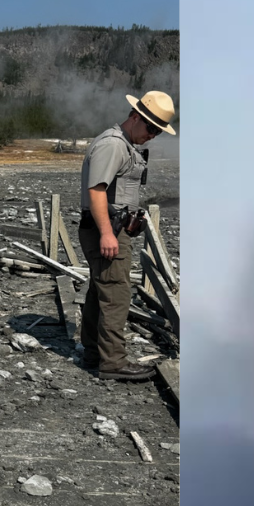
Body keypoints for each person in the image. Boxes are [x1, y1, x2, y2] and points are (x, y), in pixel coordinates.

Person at [77, 90, 175, 382]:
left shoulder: (123, 144)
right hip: (106, 230)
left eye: (158, 131)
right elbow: (96, 190)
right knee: (116, 293)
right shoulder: (113, 145)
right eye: (151, 128)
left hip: (110, 227)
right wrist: (108, 233)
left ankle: (94, 353)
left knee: (101, 290)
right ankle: (113, 363)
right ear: (135, 117)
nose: (153, 135)